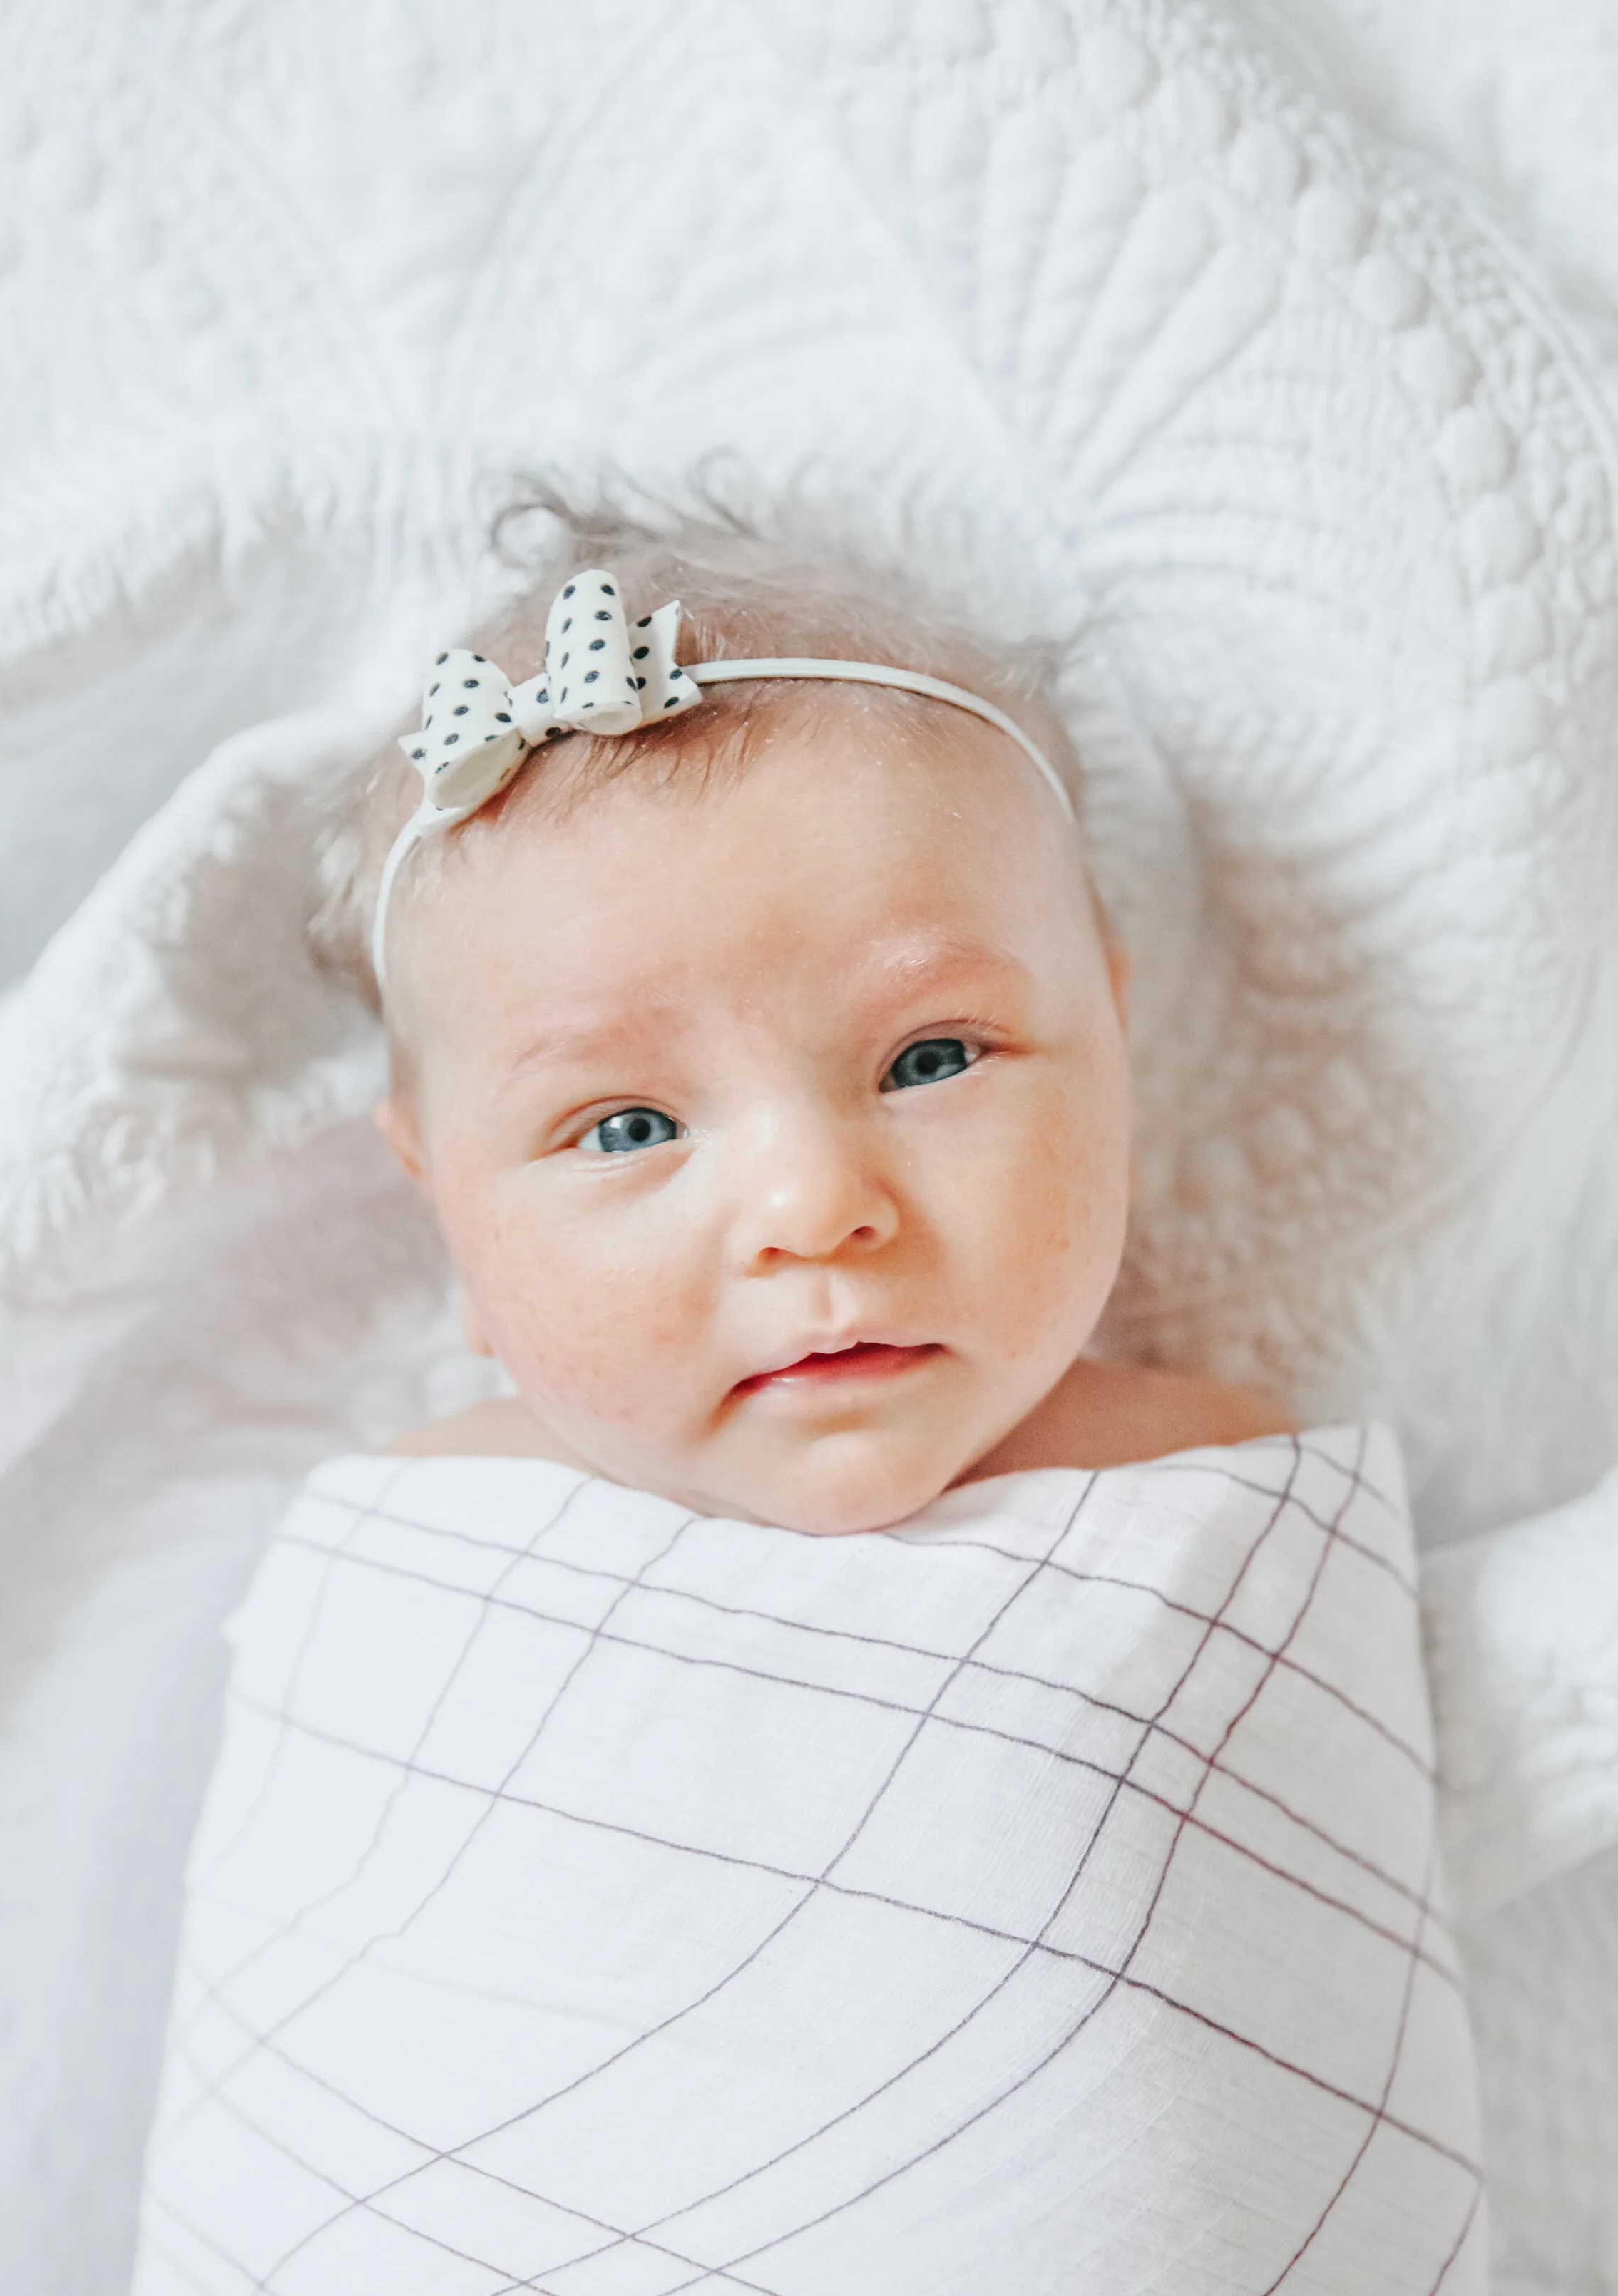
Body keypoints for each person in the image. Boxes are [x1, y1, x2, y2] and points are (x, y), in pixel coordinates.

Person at [312, 494, 1288, 1535]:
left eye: (930, 1060)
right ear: (446, 1210)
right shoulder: (426, 1529)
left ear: (1112, 1060)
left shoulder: (1220, 1490)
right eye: (626, 1129)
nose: (812, 1210)